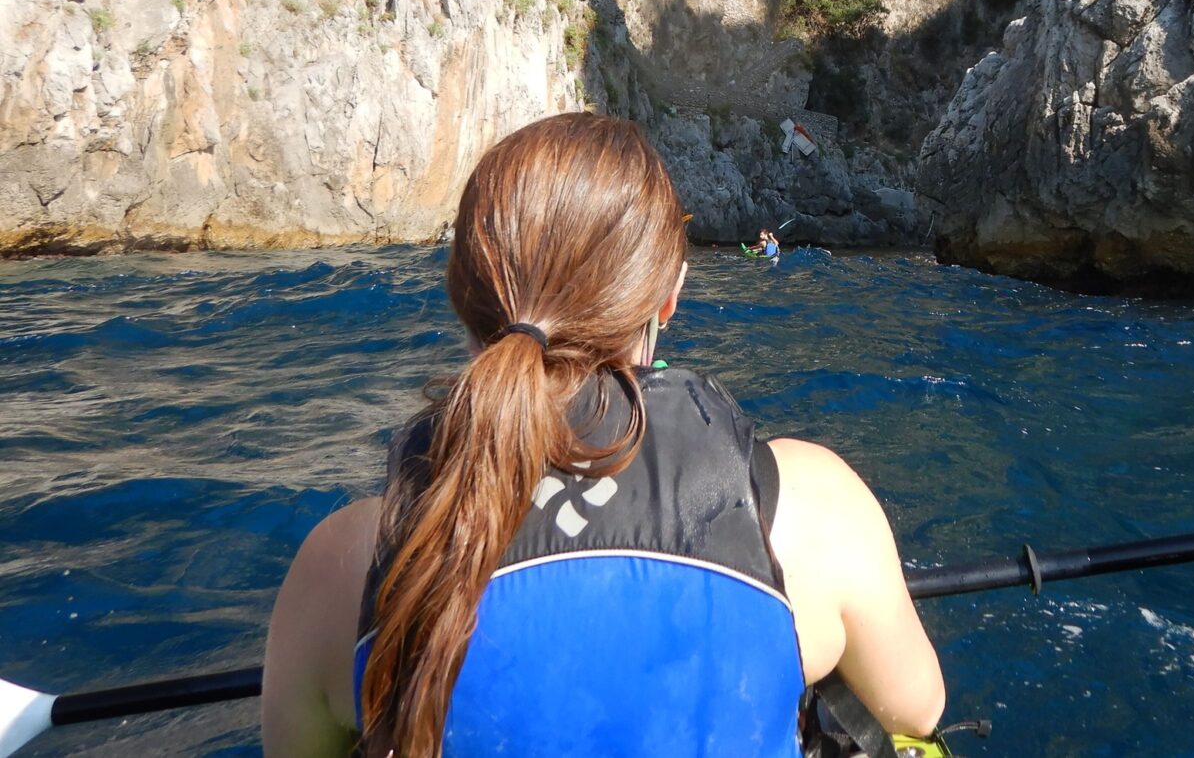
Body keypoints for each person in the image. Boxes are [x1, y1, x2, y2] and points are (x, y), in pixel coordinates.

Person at [261, 113, 944, 757]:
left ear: (461, 296)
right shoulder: (810, 506)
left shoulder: (340, 564)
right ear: (668, 297)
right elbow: (918, 711)